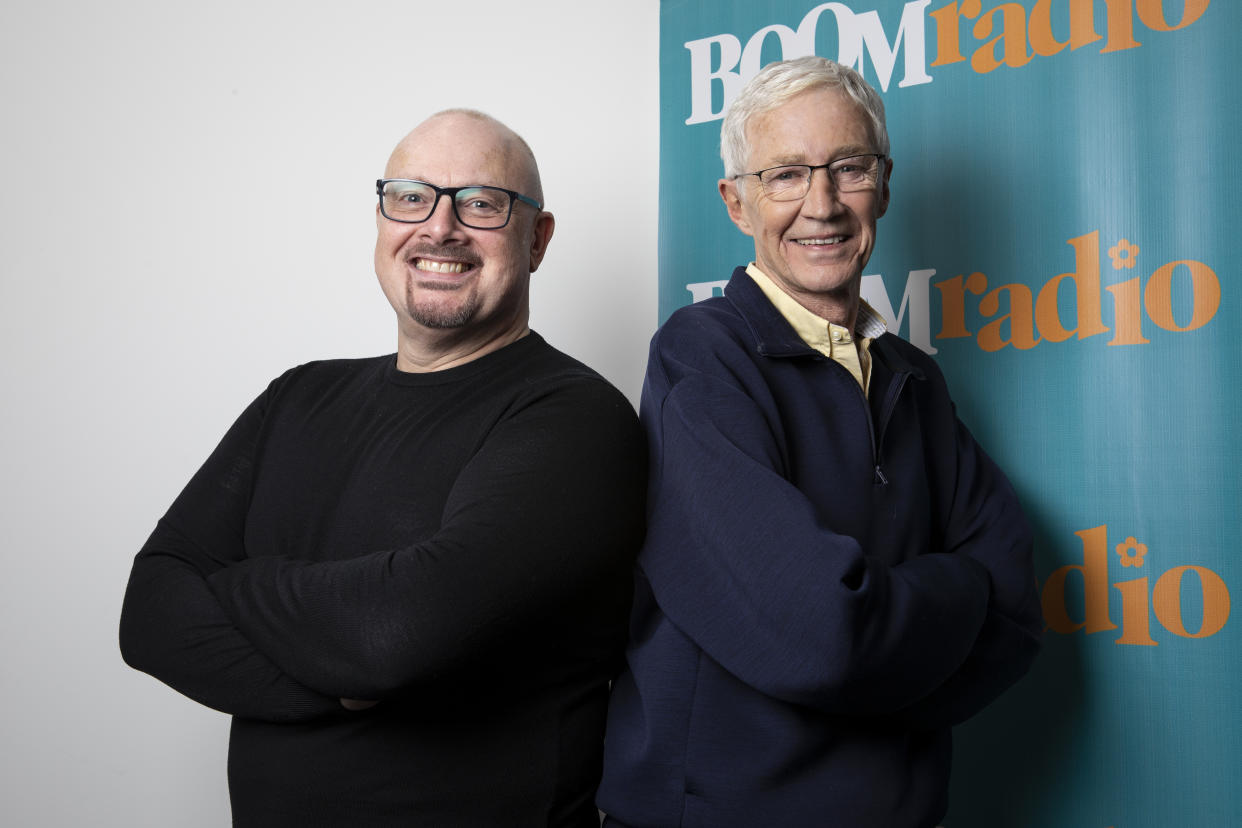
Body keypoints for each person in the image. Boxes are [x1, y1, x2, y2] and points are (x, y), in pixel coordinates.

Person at [120, 109, 646, 827]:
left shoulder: (576, 419)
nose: (439, 228)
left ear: (538, 239)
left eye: (482, 203)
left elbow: (393, 635)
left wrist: (239, 581)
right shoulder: (297, 398)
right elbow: (148, 613)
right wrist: (335, 680)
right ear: (381, 219)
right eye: (410, 196)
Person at [597, 57, 1041, 828]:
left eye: (848, 167)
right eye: (785, 175)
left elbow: (1016, 616)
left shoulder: (915, 380)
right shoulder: (699, 357)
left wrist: (881, 631)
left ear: (885, 185)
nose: (823, 204)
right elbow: (819, 634)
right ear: (737, 202)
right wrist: (955, 590)